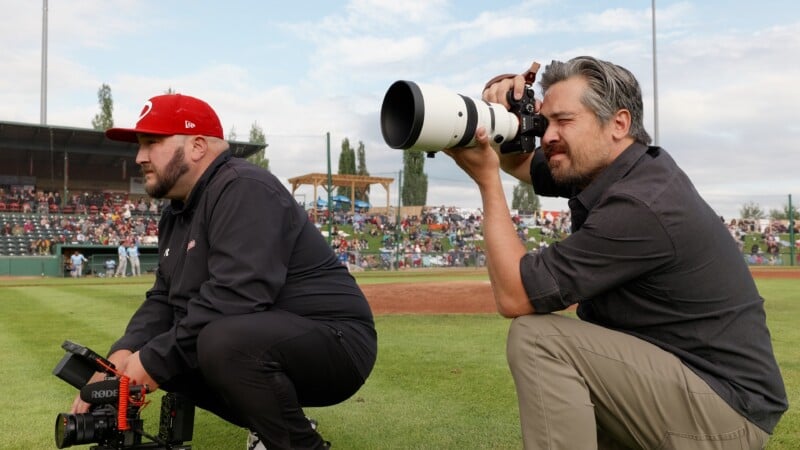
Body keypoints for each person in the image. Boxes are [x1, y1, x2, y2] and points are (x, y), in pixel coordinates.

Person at [443, 57, 787, 449]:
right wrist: (506, 113)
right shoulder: (618, 169)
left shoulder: (642, 203)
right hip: (695, 389)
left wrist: (488, 182)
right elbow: (521, 161)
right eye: (544, 122)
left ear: (618, 124)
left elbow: (514, 296)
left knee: (539, 338)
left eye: (564, 121)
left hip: (726, 418)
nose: (548, 135)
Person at [69, 93, 377, 449]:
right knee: (170, 353)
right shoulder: (176, 211)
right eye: (140, 145)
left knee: (216, 342)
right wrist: (124, 354)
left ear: (198, 146)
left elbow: (237, 296)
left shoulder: (244, 187)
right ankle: (275, 420)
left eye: (152, 143)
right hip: (269, 335)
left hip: (336, 342)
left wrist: (150, 362)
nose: (139, 157)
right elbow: (164, 299)